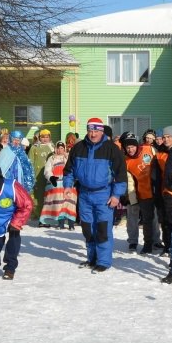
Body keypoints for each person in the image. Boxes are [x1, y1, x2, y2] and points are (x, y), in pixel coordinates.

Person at [64, 117, 127, 272]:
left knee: (102, 229)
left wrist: (116, 195)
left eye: (96, 131)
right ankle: (92, 258)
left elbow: (120, 175)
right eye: (90, 130)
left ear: (102, 131)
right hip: (84, 194)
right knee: (87, 228)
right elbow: (69, 170)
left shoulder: (112, 149)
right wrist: (67, 185)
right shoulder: (78, 148)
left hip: (104, 195)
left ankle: (103, 261)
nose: (92, 134)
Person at [122, 133, 158, 254]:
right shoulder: (126, 161)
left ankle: (156, 240)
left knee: (153, 216)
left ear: (137, 146)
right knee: (133, 215)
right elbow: (129, 180)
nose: (130, 149)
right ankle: (133, 241)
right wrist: (130, 197)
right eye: (127, 148)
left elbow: (159, 163)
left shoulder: (149, 149)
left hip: (153, 189)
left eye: (132, 146)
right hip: (137, 191)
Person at [151, 126, 172, 252]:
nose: (165, 140)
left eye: (168, 137)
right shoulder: (159, 154)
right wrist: (156, 193)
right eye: (164, 137)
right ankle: (167, 247)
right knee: (165, 222)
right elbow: (155, 175)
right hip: (163, 192)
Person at [39, 142, 77, 228]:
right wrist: (51, 177)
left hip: (68, 183)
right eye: (58, 148)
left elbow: (73, 168)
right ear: (56, 149)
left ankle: (71, 223)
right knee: (58, 203)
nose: (60, 150)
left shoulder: (68, 158)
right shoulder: (52, 159)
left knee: (69, 202)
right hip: (56, 184)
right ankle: (61, 222)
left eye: (62, 148)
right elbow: (47, 170)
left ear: (64, 149)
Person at [28, 128, 56, 222]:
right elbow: (30, 162)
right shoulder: (34, 147)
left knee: (49, 195)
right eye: (43, 137)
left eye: (47, 137)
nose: (45, 139)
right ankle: (38, 213)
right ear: (39, 137)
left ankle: (49, 214)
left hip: (49, 175)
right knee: (38, 196)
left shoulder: (52, 147)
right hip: (38, 176)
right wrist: (31, 174)